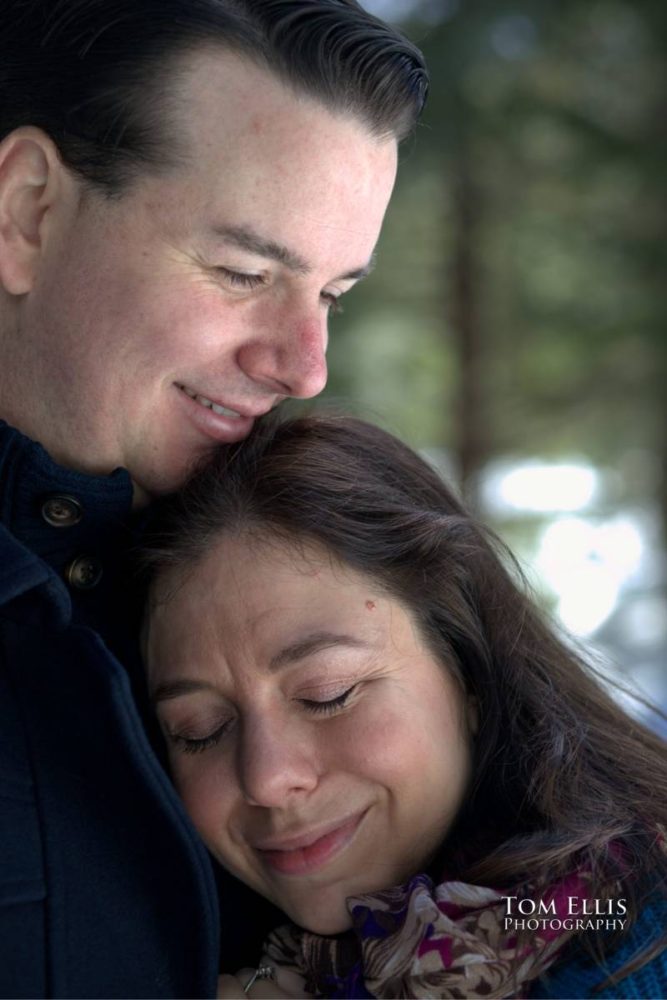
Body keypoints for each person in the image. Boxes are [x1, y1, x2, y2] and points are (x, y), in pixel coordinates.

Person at [0, 2, 428, 995]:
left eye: (332, 294)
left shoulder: (307, 577)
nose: (305, 365)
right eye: (244, 272)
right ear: (27, 211)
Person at [144, 414, 667, 999]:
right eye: (199, 731)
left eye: (328, 694)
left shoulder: (630, 927)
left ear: (468, 666)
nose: (267, 779)